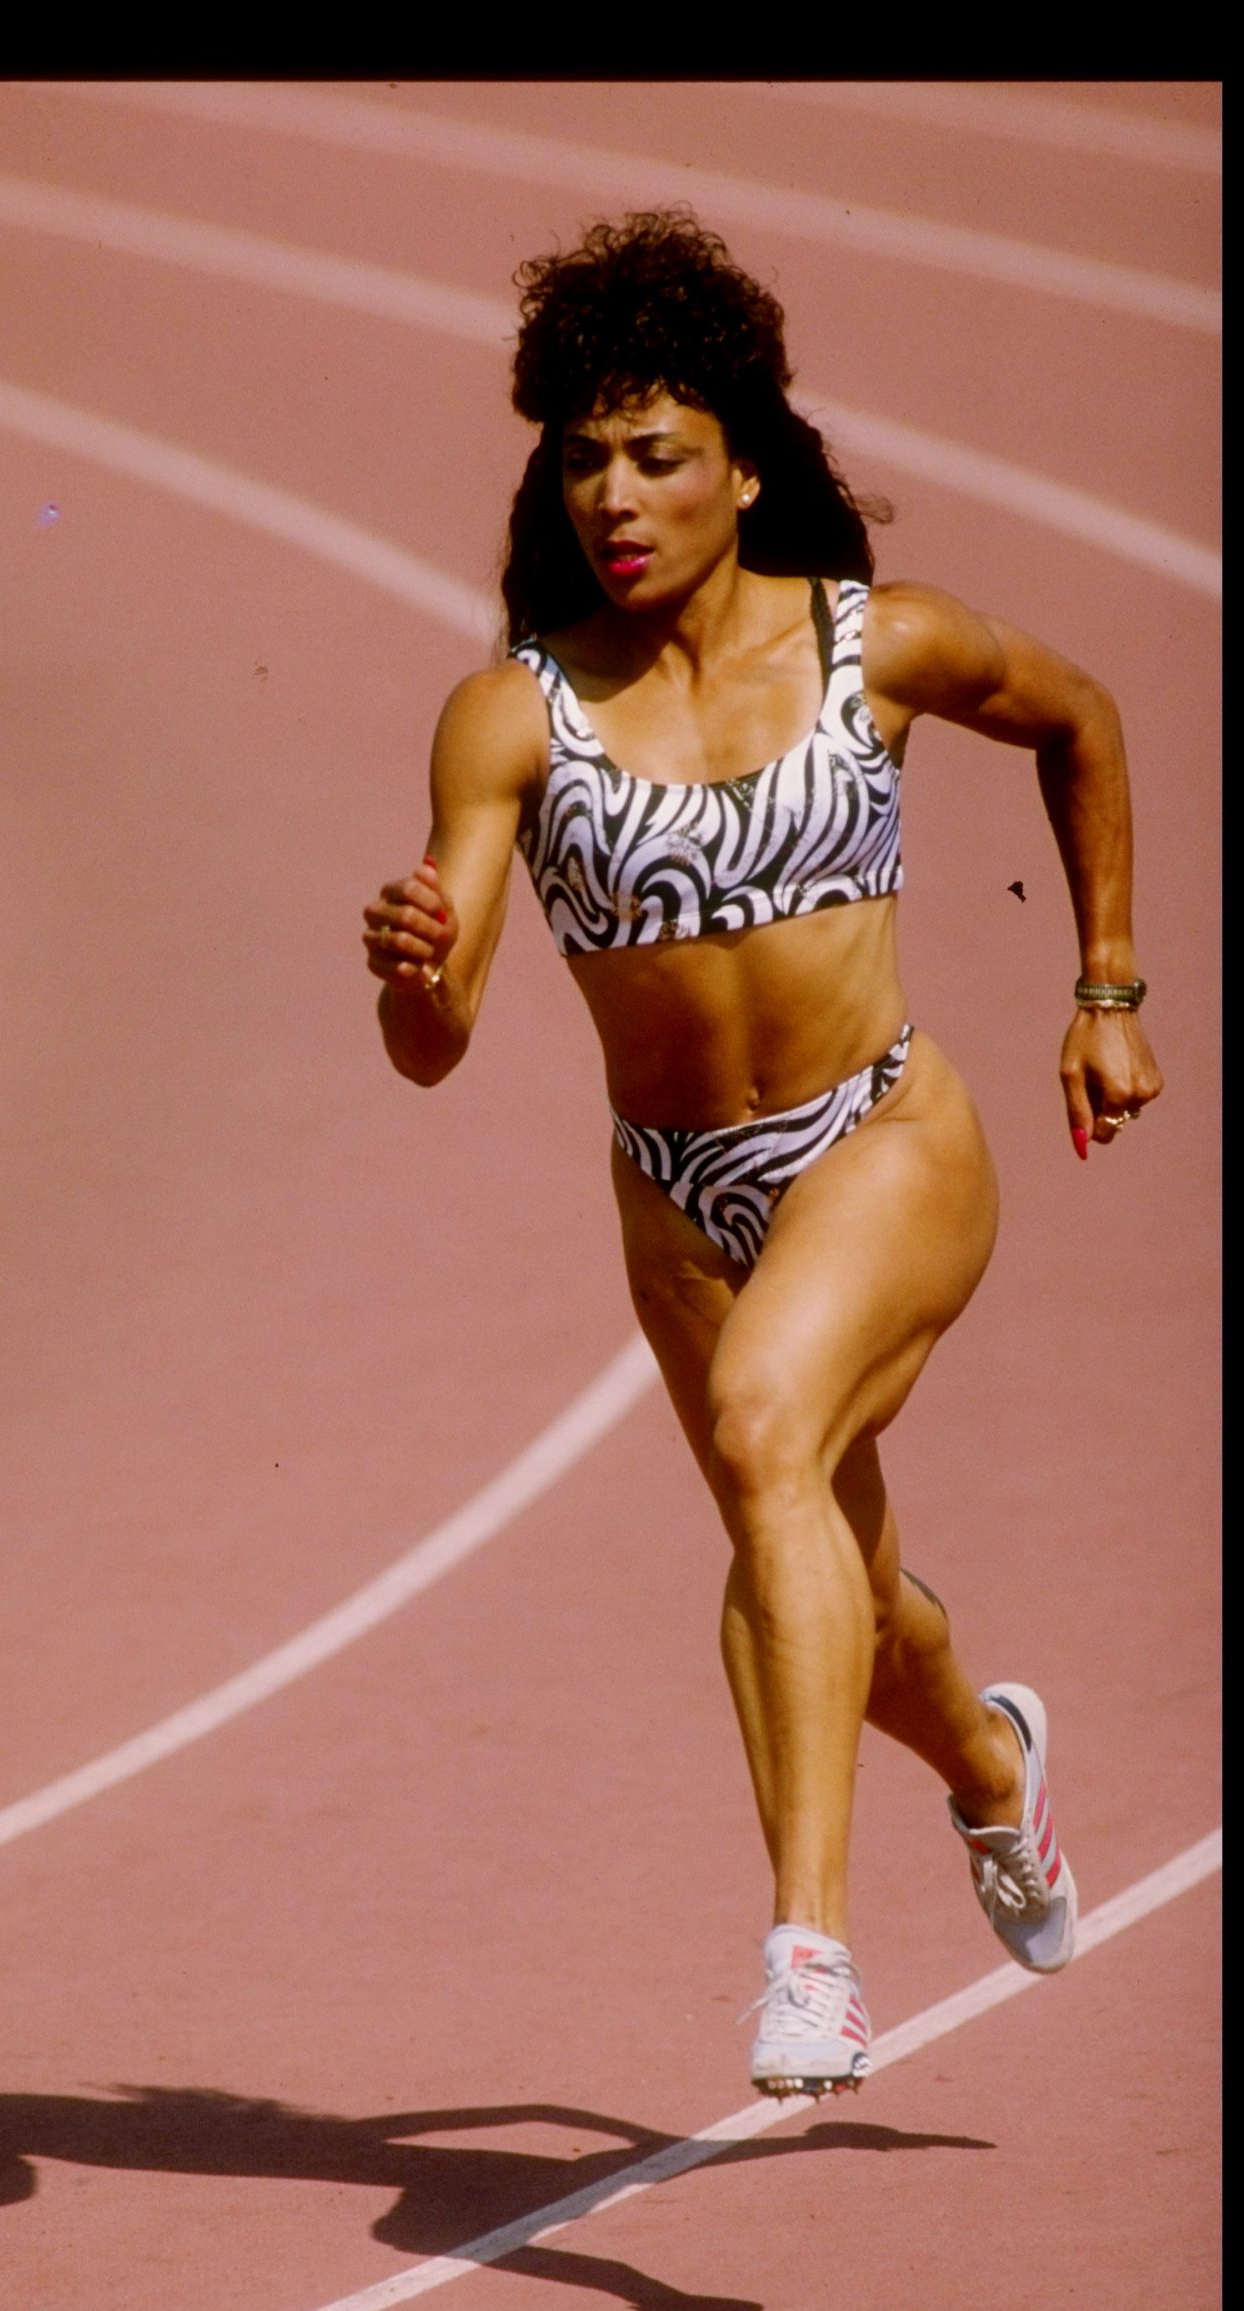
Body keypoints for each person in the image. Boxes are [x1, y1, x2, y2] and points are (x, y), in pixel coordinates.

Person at [361, 210, 1163, 2099]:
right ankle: (993, 1764)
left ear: (742, 465)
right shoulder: (513, 717)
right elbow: (433, 1048)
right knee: (829, 1578)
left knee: (758, 1437)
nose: (612, 497)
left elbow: (1082, 718)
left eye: (654, 454)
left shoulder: (878, 643)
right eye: (582, 458)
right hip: (678, 1199)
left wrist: (1107, 986)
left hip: (881, 1136)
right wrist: (412, 971)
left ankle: (811, 1955)